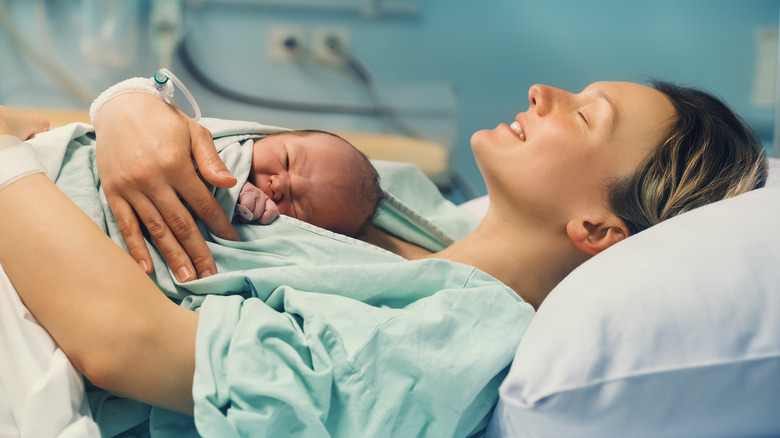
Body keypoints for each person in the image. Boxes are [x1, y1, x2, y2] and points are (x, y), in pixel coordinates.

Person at [0, 80, 767, 436]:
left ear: (599, 230)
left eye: (585, 114)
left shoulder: (454, 342)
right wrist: (125, 104)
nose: (542, 92)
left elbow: (126, 344)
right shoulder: (412, 211)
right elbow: (193, 140)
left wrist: (7, 161)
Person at [234, 129, 383, 239]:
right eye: (286, 161)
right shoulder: (226, 143)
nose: (278, 185)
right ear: (272, 134)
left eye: (299, 209)